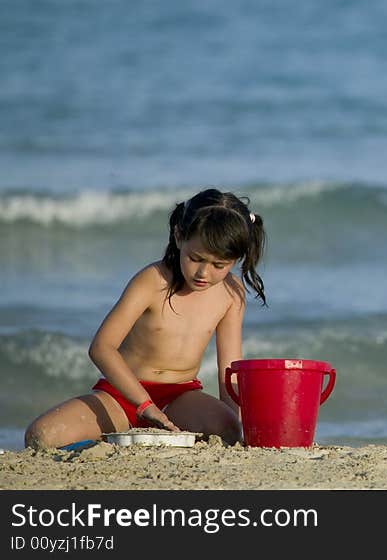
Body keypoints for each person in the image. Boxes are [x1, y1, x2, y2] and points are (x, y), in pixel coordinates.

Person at [24, 188, 267, 449]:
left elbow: (229, 367)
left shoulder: (231, 293)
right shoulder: (152, 281)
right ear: (178, 237)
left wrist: (233, 423)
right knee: (41, 436)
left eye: (219, 265)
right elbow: (102, 348)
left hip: (180, 397)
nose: (203, 272)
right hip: (122, 396)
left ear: (236, 259)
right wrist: (144, 405)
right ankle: (114, 437)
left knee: (227, 429)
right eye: (195, 258)